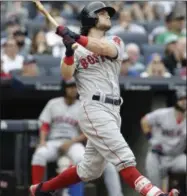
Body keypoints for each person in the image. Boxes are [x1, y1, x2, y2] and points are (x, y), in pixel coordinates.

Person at [30, 2, 179, 196]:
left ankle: (42, 189)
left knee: (90, 169)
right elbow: (66, 75)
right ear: (91, 18)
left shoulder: (115, 40)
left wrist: (76, 37)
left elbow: (104, 49)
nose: (108, 16)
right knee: (124, 156)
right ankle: (155, 194)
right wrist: (68, 51)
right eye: (101, 13)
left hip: (113, 110)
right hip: (93, 108)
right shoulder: (77, 48)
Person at [31, 78, 123, 196]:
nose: (73, 89)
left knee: (80, 159)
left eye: (75, 87)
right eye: (70, 87)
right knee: (39, 155)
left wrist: (71, 142)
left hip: (73, 143)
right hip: (54, 142)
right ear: (64, 88)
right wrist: (42, 141)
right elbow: (44, 124)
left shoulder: (83, 106)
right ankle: (36, 191)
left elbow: (88, 131)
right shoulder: (53, 103)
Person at [140, 90, 186, 189]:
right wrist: (150, 138)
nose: (184, 101)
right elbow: (144, 121)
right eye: (182, 99)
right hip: (157, 156)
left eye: (186, 99)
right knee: (154, 189)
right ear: (176, 100)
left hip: (176, 157)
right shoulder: (163, 114)